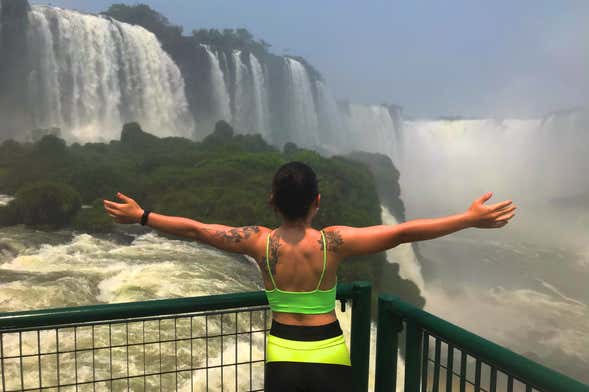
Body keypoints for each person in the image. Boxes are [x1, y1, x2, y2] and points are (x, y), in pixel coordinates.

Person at [103, 161, 516, 392]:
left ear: (272, 202)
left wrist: (142, 215)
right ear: (316, 202)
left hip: (283, 352)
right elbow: (404, 233)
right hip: (329, 352)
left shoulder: (257, 242)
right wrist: (467, 219)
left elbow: (195, 229)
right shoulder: (335, 241)